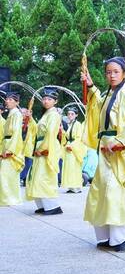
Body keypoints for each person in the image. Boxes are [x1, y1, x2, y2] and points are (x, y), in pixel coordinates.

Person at [81, 57, 125, 252]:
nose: (112, 75)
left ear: (124, 73)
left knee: (113, 194)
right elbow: (97, 106)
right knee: (99, 193)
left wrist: (118, 142)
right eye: (108, 72)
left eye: (116, 71)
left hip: (116, 152)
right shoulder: (109, 94)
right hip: (104, 151)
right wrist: (90, 85)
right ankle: (105, 237)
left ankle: (119, 239)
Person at [25, 87, 64, 215]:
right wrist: (30, 119)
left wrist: (42, 149)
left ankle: (52, 206)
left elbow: (51, 133)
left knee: (44, 177)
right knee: (36, 177)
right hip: (40, 146)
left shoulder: (53, 114)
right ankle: (43, 205)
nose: (46, 101)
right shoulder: (46, 114)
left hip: (47, 147)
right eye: (44, 99)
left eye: (49, 99)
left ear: (55, 101)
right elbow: (37, 130)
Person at [0, 91, 25, 207]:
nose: (7, 101)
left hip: (11, 146)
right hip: (6, 144)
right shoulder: (10, 114)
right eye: (7, 99)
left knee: (5, 174)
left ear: (17, 102)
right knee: (7, 174)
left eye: (11, 100)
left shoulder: (16, 114)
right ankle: (8, 198)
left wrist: (10, 150)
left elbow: (16, 133)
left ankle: (9, 199)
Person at [62, 106, 86, 193]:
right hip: (70, 146)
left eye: (72, 114)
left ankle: (76, 187)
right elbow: (67, 137)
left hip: (74, 148)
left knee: (74, 167)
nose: (70, 115)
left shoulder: (78, 124)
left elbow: (78, 137)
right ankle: (71, 186)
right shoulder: (71, 124)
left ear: (76, 115)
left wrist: (71, 146)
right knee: (70, 167)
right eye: (68, 114)